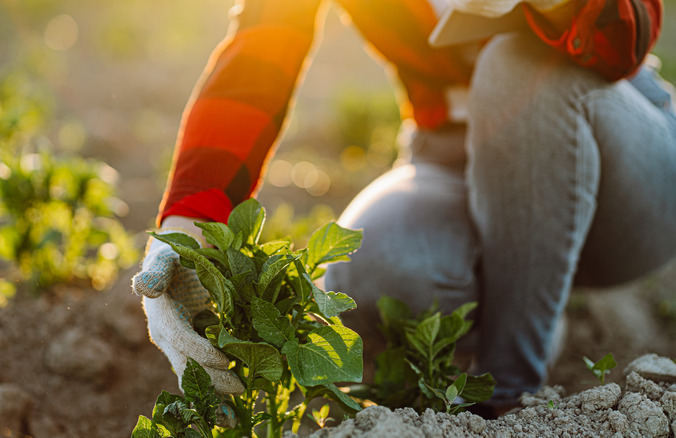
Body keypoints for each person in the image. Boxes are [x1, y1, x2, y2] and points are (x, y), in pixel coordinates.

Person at [132, 0, 675, 415]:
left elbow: (633, 25)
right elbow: (263, 45)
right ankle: (525, 304)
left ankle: (510, 397)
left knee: (516, 65)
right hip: (451, 152)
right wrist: (188, 221)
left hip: (616, 161)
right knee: (381, 263)